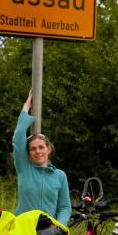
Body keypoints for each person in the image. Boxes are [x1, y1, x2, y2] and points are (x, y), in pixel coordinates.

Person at [12, 91, 72, 226]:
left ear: (48, 149)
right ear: (28, 153)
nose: (37, 151)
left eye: (41, 147)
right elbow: (19, 135)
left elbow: (64, 207)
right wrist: (26, 107)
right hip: (22, 228)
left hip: (47, 232)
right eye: (33, 149)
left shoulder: (59, 176)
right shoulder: (24, 168)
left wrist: (59, 227)